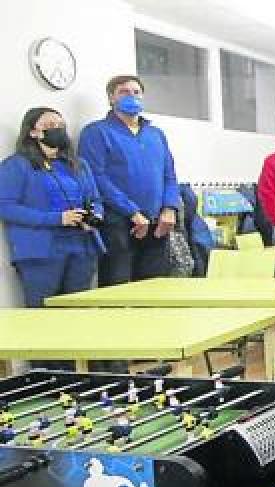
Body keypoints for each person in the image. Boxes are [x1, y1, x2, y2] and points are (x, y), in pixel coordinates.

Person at [78, 74, 179, 286]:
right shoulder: (96, 132)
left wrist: (170, 208)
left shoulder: (155, 134)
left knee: (156, 291)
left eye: (136, 92)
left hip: (157, 223)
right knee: (117, 290)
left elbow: (169, 174)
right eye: (124, 92)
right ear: (111, 99)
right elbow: (96, 177)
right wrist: (132, 212)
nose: (131, 96)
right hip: (118, 223)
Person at [0, 107, 104, 313]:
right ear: (32, 132)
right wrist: (56, 219)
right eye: (49, 125)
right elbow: (6, 207)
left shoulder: (79, 165)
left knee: (79, 312)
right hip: (41, 252)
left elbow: (96, 199)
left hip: (82, 247)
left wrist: (94, 215)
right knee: (42, 314)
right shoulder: (17, 165)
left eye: (60, 125)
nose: (57, 129)